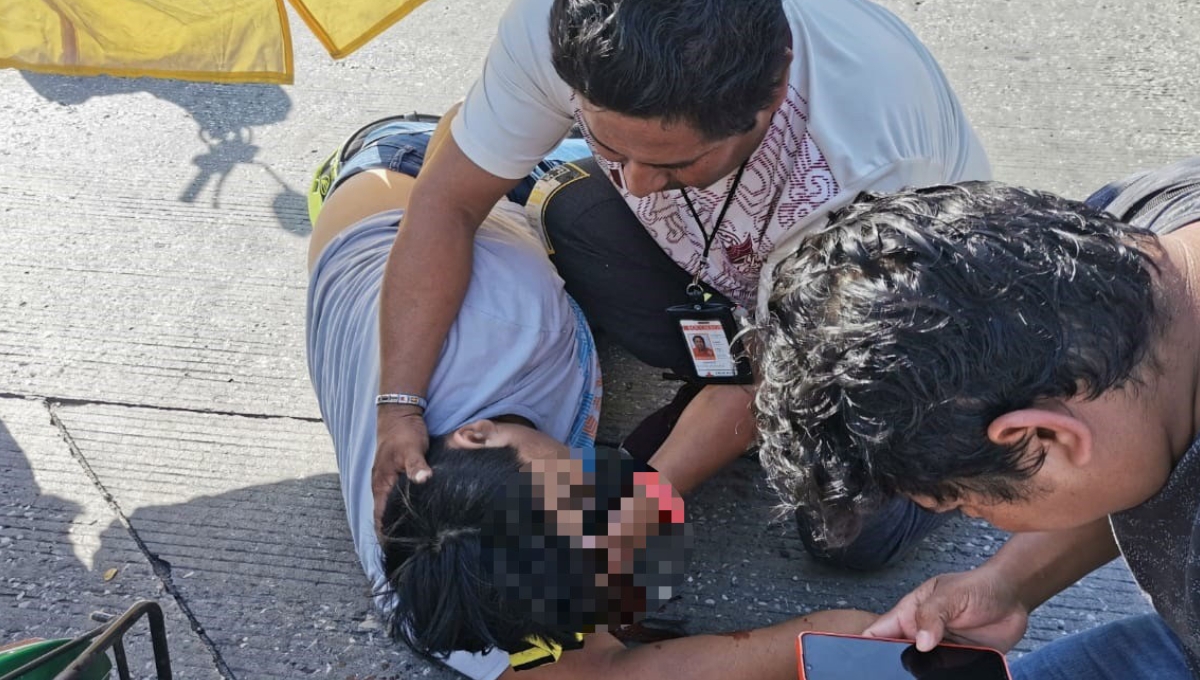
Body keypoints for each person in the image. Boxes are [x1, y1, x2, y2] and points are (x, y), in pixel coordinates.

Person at [371, 0, 993, 571]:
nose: (636, 185)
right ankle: (713, 373)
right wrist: (398, 406)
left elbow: (764, 381)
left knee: (853, 535)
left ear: (774, 89)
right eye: (609, 145)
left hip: (901, 310)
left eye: (674, 163)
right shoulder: (560, 22)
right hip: (759, 275)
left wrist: (644, 503)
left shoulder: (865, 165)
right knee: (575, 212)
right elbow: (445, 203)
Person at [306, 118, 875, 680]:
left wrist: (652, 492)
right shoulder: (436, 577)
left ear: (477, 434)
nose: (608, 512)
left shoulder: (510, 319)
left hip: (412, 171)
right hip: (392, 267)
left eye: (584, 497)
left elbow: (759, 382)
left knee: (672, 187)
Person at [755, 159, 1200, 679]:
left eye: (967, 503)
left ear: (1041, 434)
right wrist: (1009, 583)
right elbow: (1133, 448)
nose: (973, 515)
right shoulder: (1133, 235)